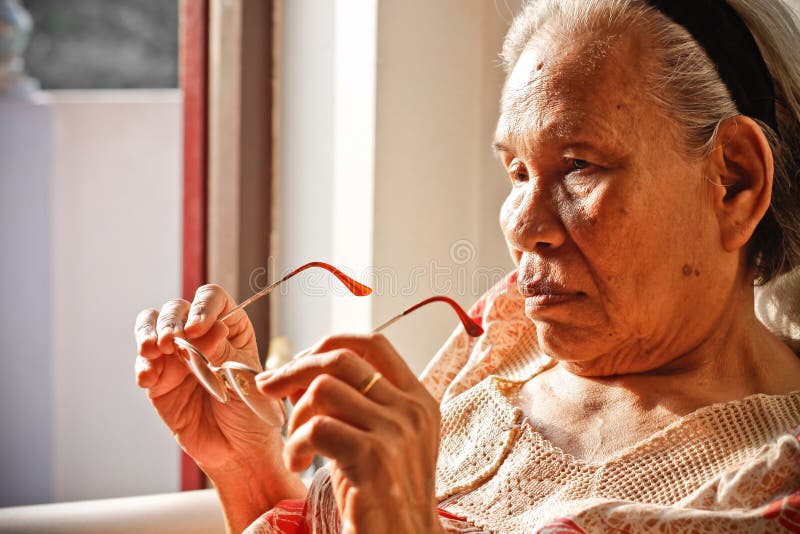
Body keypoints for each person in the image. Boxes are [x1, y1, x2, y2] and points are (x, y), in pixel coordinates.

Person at [135, 0, 800, 531]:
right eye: (515, 171)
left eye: (578, 166)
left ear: (734, 183)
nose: (522, 226)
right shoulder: (505, 331)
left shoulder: (772, 484)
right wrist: (248, 468)